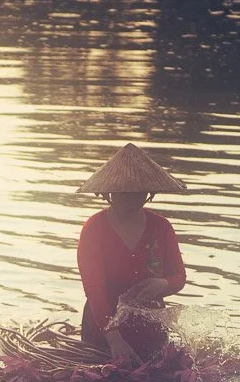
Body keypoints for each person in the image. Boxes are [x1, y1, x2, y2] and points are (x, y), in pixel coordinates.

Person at [75, 143, 188, 361]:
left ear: (148, 193)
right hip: (103, 325)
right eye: (124, 193)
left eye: (138, 192)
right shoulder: (94, 228)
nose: (132, 198)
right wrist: (113, 336)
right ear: (109, 193)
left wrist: (162, 284)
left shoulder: (161, 227)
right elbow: (94, 288)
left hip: (150, 322)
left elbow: (179, 277)